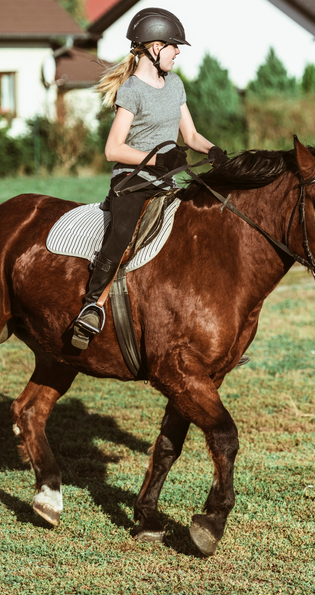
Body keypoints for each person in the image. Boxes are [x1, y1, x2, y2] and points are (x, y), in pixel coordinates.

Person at [72, 7, 228, 350]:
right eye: (174, 46)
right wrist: (157, 158)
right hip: (132, 182)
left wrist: (214, 150)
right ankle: (92, 306)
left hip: (168, 181)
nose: (178, 52)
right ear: (154, 47)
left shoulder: (174, 84)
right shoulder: (132, 90)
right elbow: (113, 149)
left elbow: (191, 135)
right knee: (122, 235)